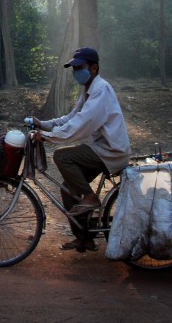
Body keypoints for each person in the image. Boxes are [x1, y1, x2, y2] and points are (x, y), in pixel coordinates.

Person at [26, 47, 131, 252]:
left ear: (94, 68)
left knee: (62, 156)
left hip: (111, 151)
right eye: (74, 69)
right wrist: (44, 124)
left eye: (79, 68)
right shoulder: (89, 90)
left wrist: (49, 137)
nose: (76, 73)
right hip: (100, 148)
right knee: (68, 189)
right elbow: (72, 117)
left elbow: (83, 123)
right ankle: (84, 238)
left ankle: (91, 198)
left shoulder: (101, 90)